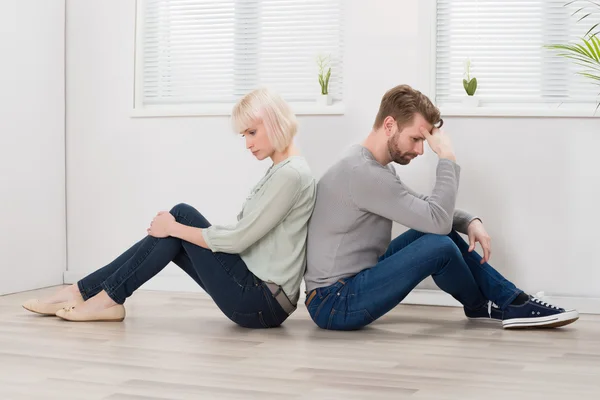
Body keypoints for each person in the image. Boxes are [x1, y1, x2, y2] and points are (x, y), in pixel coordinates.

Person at [23, 88, 316, 328]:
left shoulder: (290, 175)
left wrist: (174, 227)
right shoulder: (282, 171)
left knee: (181, 216)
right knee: (177, 226)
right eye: (244, 136)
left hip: (261, 301)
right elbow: (243, 232)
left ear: (274, 120)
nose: (248, 144)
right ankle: (88, 294)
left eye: (251, 132)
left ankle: (96, 296)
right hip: (258, 294)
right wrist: (175, 230)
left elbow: (240, 238)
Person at [303, 84, 578, 330]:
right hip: (334, 303)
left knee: (439, 234)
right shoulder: (364, 173)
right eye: (416, 138)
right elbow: (436, 219)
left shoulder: (366, 164)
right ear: (389, 126)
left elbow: (424, 210)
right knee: (439, 243)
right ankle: (501, 303)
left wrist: (469, 220)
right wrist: (446, 157)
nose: (421, 150)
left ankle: (506, 302)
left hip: (349, 285)